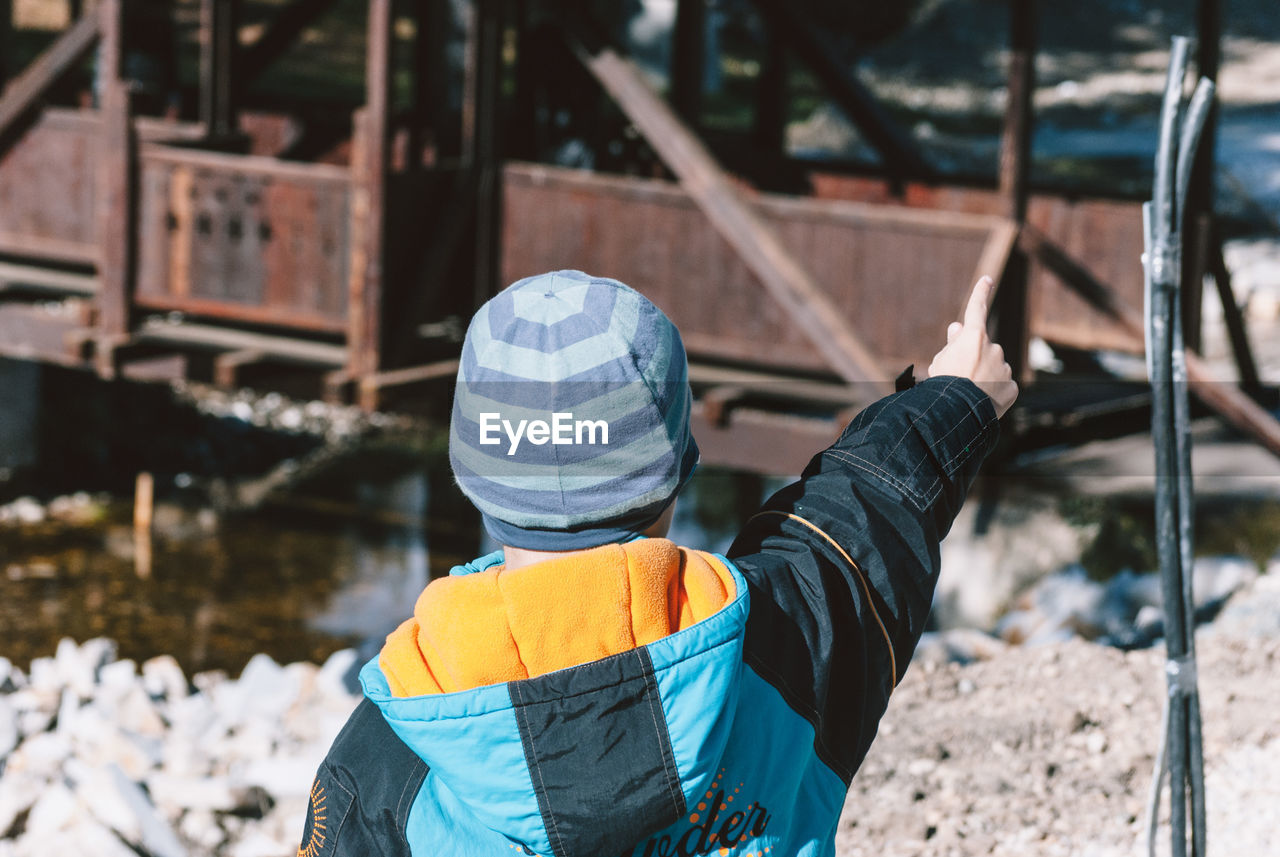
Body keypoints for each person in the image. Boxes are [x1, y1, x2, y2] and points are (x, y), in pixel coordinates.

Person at [298, 269, 1016, 857]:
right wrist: (958, 397)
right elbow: (859, 514)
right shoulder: (784, 647)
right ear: (677, 467)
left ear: (473, 477)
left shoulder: (394, 746)